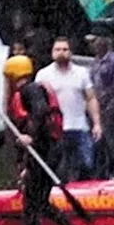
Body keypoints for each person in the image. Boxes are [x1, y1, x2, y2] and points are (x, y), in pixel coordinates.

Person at [3, 55, 81, 225]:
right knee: (39, 200)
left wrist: (31, 137)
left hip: (46, 150)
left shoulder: (30, 90)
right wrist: (25, 164)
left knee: (31, 200)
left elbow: (41, 111)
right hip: (45, 150)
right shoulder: (31, 90)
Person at [34, 37, 102, 182]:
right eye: (57, 50)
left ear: (70, 52)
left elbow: (91, 98)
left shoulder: (82, 73)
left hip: (80, 127)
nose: (61, 53)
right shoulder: (43, 75)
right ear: (52, 52)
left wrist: (96, 123)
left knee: (87, 165)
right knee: (60, 169)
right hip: (56, 130)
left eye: (65, 50)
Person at [88, 30, 114, 179]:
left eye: (95, 41)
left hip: (111, 106)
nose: (93, 45)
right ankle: (102, 172)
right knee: (100, 143)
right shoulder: (96, 61)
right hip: (98, 107)